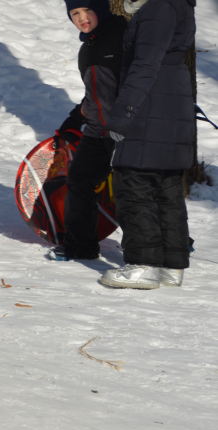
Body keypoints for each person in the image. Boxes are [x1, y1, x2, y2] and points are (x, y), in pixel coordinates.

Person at [98, 0, 196, 289]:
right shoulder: (175, 5)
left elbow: (145, 63)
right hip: (167, 103)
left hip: (150, 105)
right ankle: (169, 264)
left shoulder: (159, 8)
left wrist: (123, 112)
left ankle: (143, 264)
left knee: (134, 184)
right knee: (164, 186)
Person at [48, 0, 125, 261]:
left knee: (130, 188)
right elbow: (94, 95)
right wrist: (72, 121)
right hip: (98, 130)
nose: (82, 18)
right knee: (79, 180)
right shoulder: (88, 47)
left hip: (124, 129)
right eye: (75, 13)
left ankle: (161, 243)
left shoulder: (121, 36)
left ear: (101, 9)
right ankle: (81, 247)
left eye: (87, 10)